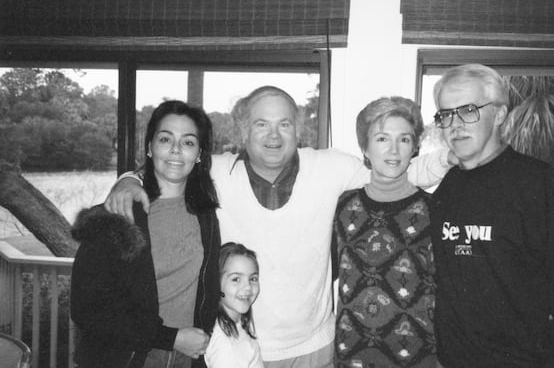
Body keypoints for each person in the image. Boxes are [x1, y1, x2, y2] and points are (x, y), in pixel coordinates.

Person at [105, 86, 453, 367]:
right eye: (261, 124)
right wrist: (128, 179)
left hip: (314, 349)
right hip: (236, 348)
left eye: (284, 124)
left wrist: (450, 157)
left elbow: (396, 171)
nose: (274, 135)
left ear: (297, 130)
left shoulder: (331, 167)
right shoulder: (216, 171)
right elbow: (170, 164)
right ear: (244, 130)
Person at [429, 64, 554, 367]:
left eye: (468, 110)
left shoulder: (541, 185)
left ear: (499, 115)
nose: (454, 124)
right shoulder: (446, 190)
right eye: (446, 114)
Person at [70, 100, 221, 368]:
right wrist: (170, 338)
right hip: (126, 358)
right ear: (150, 148)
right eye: (165, 139)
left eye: (188, 142)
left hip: (187, 357)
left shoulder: (206, 215)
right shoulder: (118, 215)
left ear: (199, 154)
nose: (176, 149)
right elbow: (87, 308)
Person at [332, 97, 436, 367]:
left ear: (414, 148)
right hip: (352, 348)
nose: (393, 150)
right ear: (364, 148)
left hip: (416, 353)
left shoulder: (435, 210)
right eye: (381, 139)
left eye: (404, 139)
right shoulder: (343, 205)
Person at [205, 242, 264, 368]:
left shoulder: (235, 326)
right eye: (236, 279)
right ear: (216, 282)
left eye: (253, 279)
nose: (248, 287)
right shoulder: (226, 344)